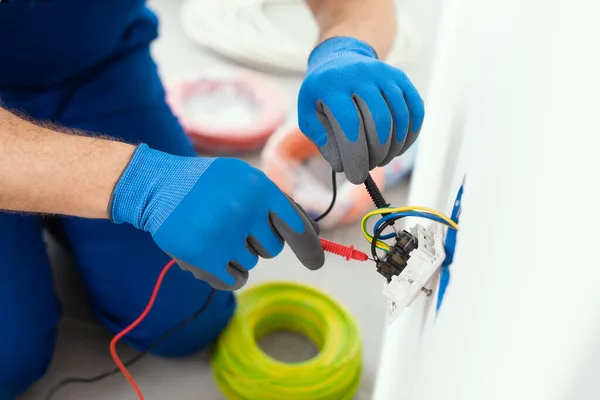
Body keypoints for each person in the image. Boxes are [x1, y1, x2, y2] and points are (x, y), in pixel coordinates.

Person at [0, 0, 424, 398]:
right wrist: (138, 183)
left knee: (186, 319)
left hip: (97, 67)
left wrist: (347, 47)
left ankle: (60, 208)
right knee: (8, 359)